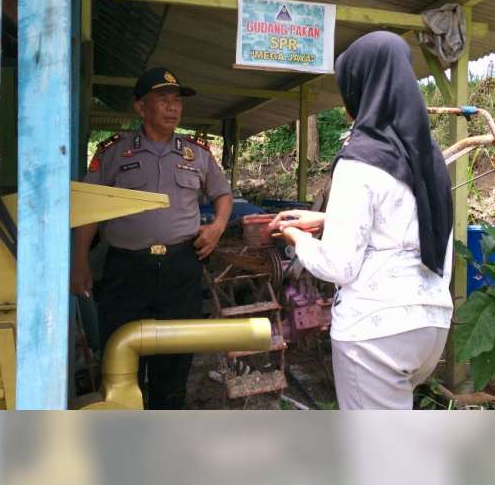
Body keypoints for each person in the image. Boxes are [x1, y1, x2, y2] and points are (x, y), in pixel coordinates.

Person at [270, 31, 454, 410]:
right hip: (430, 324)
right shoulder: (426, 153)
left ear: (362, 87)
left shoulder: (361, 158)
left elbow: (338, 265)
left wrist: (295, 238)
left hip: (375, 330)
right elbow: (410, 223)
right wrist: (326, 218)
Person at [70, 67, 233, 409]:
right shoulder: (114, 152)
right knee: (119, 357)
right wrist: (79, 260)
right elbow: (89, 207)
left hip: (180, 269)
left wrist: (217, 227)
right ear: (141, 108)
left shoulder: (197, 153)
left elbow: (223, 194)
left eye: (176, 101)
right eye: (163, 100)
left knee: (174, 360)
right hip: (126, 271)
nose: (173, 108)